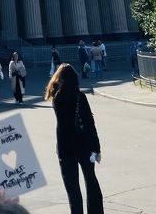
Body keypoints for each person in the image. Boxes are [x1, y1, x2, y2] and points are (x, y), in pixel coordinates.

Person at [45, 63, 103, 214]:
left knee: (73, 189)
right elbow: (89, 123)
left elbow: (63, 124)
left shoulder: (57, 99)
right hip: (85, 146)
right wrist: (96, 148)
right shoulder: (80, 97)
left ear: (60, 79)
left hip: (65, 148)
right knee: (91, 181)